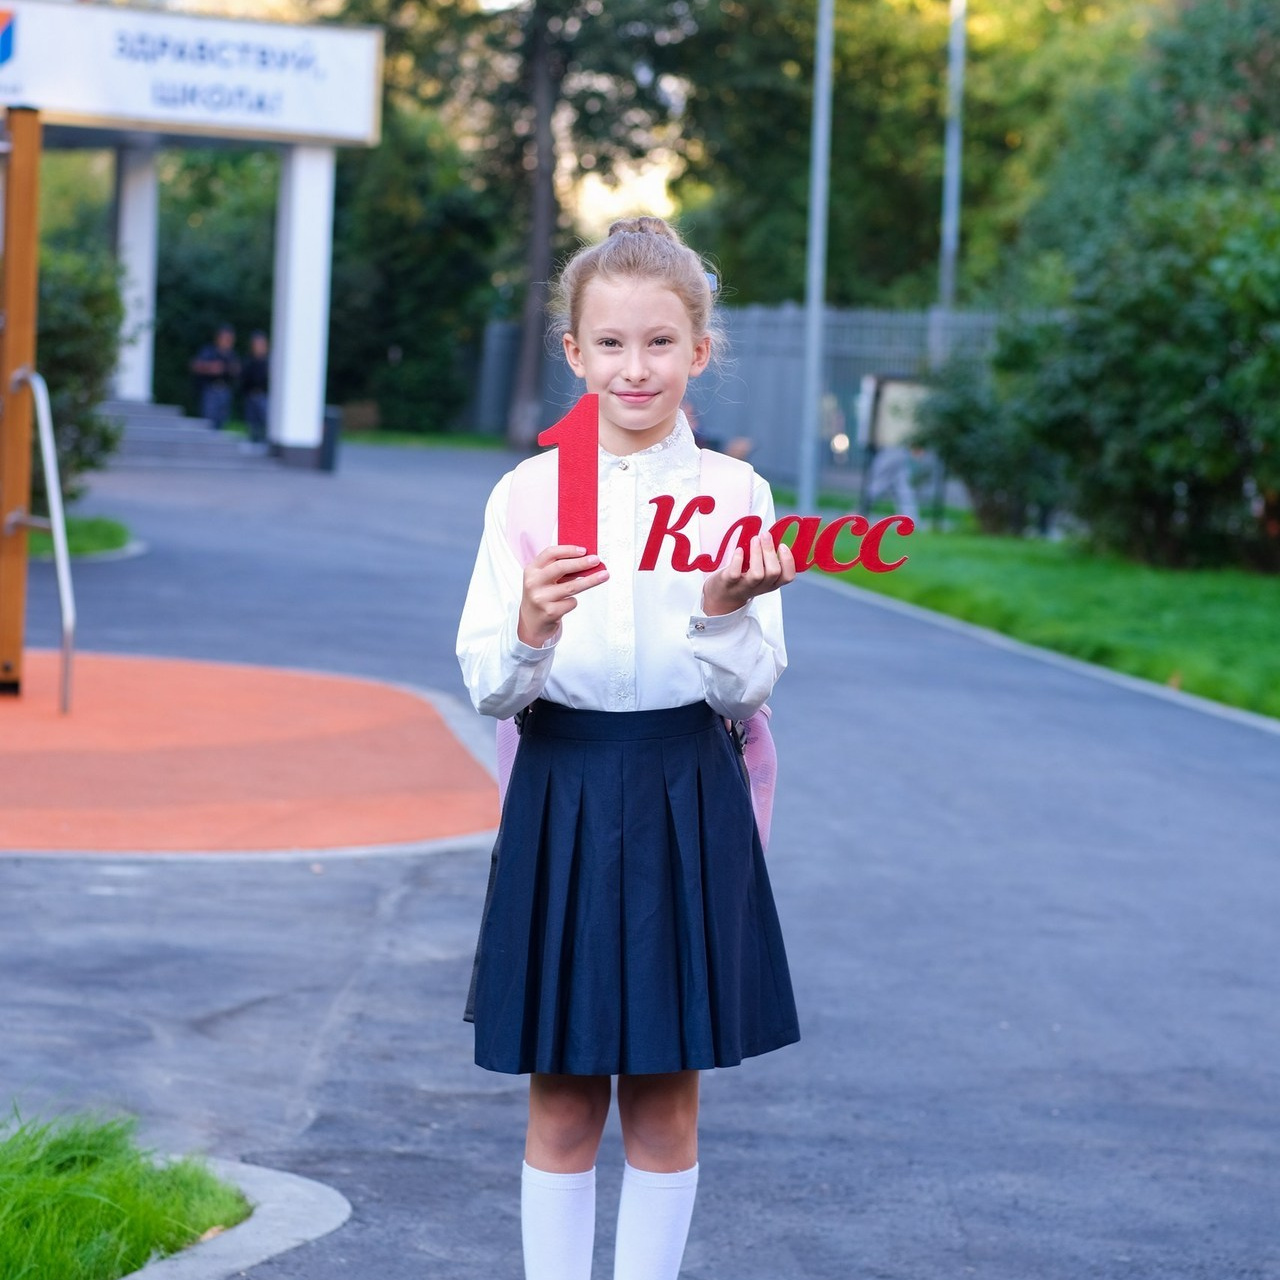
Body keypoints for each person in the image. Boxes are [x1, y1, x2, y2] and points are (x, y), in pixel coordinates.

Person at [456, 217, 801, 1280]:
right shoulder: (526, 493)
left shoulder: (733, 496)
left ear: (699, 350)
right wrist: (529, 625)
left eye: (659, 342)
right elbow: (486, 684)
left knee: (663, 1089)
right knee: (559, 1092)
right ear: (573, 352)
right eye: (609, 343)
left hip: (683, 789)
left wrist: (717, 611)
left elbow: (751, 687)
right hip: (560, 785)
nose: (633, 366)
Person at [189, 323, 240, 431]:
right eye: (226, 338)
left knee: (222, 421)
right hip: (210, 390)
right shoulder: (209, 351)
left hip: (225, 391)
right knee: (208, 422)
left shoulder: (232, 354)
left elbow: (238, 371)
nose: (228, 341)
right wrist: (210, 367)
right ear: (218, 338)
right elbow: (195, 365)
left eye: (230, 339)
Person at [239, 330, 270, 452]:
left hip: (263, 395)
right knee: (251, 421)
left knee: (264, 420)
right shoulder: (249, 361)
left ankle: (264, 442)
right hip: (250, 395)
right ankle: (252, 441)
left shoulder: (269, 361)